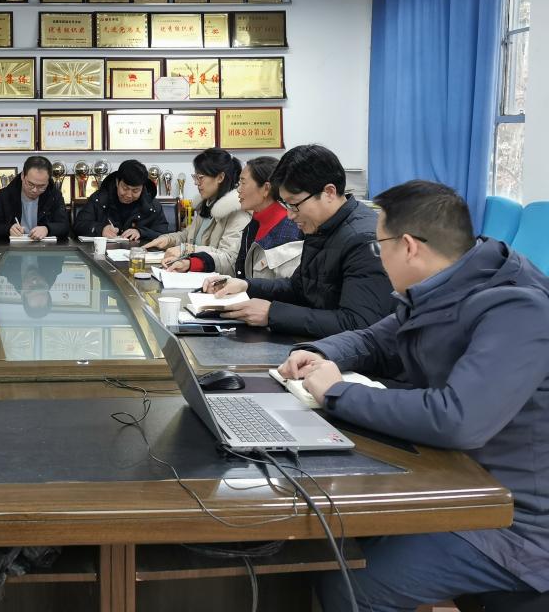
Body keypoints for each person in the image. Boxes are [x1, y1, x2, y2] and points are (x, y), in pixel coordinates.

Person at [275, 180, 549, 610]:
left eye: (378, 246)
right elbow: (373, 340)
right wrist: (319, 352)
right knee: (326, 540)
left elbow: (458, 418)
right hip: (451, 478)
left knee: (351, 587)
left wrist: (338, 393)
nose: (377, 257)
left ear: (408, 247)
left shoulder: (518, 309)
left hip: (514, 519)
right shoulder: (444, 283)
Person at [206, 144, 394, 337]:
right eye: (286, 204)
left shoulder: (363, 240)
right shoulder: (320, 226)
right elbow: (299, 288)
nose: (290, 215)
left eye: (294, 204)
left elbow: (358, 323)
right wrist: (247, 285)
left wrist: (272, 314)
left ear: (329, 192)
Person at [172, 156, 303, 279]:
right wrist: (192, 263)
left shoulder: (289, 231)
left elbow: (286, 288)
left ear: (266, 189)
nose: (238, 190)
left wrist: (246, 287)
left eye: (243, 183)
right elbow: (235, 265)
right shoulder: (254, 224)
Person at [143, 148, 250, 274]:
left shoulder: (237, 213)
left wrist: (187, 250)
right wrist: (167, 239)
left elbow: (228, 259)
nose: (196, 183)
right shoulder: (206, 204)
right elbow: (187, 236)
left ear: (220, 177)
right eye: (195, 177)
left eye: (200, 178)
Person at [73, 159, 169, 242]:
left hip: (139, 254)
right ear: (117, 182)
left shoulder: (152, 205)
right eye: (125, 188)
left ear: (143, 188)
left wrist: (141, 232)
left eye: (135, 191)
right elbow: (79, 226)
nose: (129, 195)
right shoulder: (99, 199)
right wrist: (101, 229)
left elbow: (164, 234)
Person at [0, 155, 70, 241]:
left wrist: (47, 229)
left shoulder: (54, 195)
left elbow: (65, 227)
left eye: (41, 186)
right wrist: (8, 229)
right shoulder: (5, 195)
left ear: (48, 181)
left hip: (44, 247)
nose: (35, 190)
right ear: (22, 176)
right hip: (12, 248)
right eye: (30, 184)